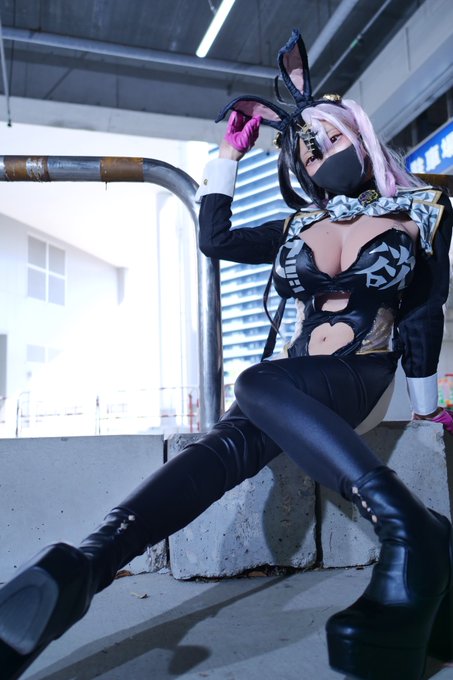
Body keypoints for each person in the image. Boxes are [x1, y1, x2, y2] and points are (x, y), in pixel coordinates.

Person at [0, 29, 452, 680]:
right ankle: (87, 564)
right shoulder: (297, 225)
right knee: (224, 447)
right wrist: (226, 157)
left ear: (360, 136)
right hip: (295, 386)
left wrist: (425, 408)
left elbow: (423, 312)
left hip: (363, 374)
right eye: (305, 146)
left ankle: (409, 531)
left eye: (329, 137)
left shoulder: (420, 211)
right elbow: (215, 239)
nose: (317, 151)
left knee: (254, 384)